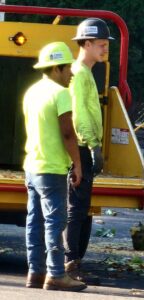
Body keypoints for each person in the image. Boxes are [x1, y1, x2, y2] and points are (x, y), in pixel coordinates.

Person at [23, 41, 86, 292]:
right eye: (68, 67)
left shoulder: (32, 91)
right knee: (55, 222)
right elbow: (68, 134)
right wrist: (78, 165)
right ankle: (57, 274)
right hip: (51, 168)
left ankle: (35, 273)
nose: (71, 73)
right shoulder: (60, 93)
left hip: (32, 166)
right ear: (57, 68)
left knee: (34, 222)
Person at [63, 18, 114, 285]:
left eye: (106, 45)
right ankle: (70, 266)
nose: (105, 49)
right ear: (87, 43)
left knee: (82, 209)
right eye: (101, 45)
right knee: (76, 209)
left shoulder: (86, 72)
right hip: (81, 149)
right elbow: (80, 115)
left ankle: (75, 264)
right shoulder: (80, 74)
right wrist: (93, 145)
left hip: (84, 147)